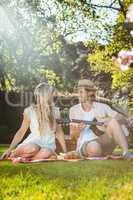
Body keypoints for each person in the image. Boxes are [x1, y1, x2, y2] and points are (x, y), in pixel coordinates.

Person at [69, 79, 133, 160]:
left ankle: (126, 152)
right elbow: (73, 137)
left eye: (81, 92)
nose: (79, 95)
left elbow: (121, 118)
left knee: (113, 121)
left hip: (104, 141)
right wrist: (77, 131)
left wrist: (108, 120)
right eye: (78, 92)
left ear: (90, 93)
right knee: (94, 148)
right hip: (86, 144)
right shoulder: (73, 110)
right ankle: (100, 153)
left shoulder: (103, 107)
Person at [1, 82, 67, 160]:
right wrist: (10, 149)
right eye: (51, 94)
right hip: (33, 143)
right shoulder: (30, 111)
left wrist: (65, 152)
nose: (53, 96)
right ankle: (13, 154)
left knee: (46, 152)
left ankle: (26, 159)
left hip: (48, 145)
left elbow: (59, 132)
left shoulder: (55, 111)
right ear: (45, 96)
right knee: (33, 148)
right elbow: (21, 131)